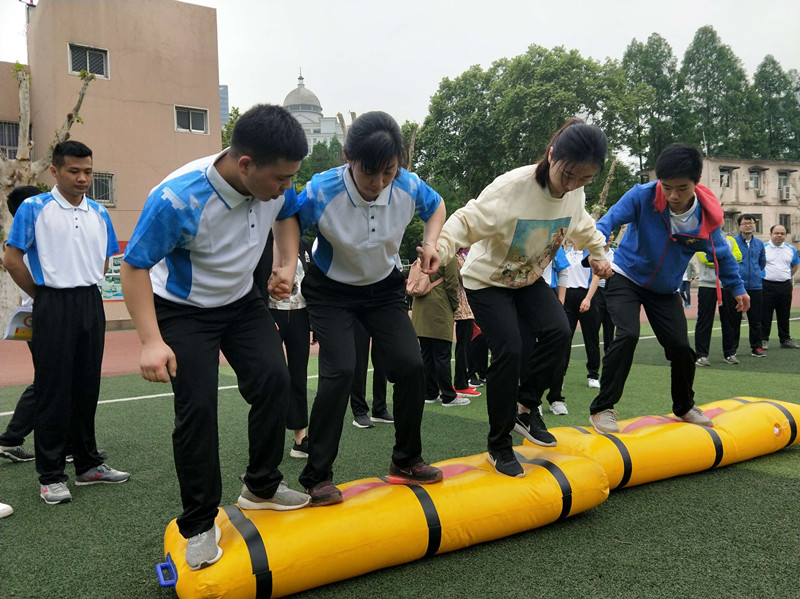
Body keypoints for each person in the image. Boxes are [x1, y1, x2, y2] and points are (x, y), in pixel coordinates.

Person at [120, 105, 311, 571]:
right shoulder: (176, 199)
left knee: (274, 381)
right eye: (281, 178)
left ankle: (261, 486)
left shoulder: (273, 184)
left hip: (242, 303)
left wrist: (285, 264)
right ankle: (199, 523)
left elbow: (288, 214)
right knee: (198, 410)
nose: (286, 187)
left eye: (292, 177)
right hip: (183, 312)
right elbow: (133, 266)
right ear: (245, 164)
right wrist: (150, 340)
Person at [437, 118, 612, 478]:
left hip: (528, 278)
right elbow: (463, 221)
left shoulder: (575, 192)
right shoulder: (511, 189)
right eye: (568, 176)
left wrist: (598, 254)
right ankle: (498, 446)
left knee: (559, 332)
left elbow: (583, 225)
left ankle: (525, 407)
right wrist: (438, 251)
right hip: (486, 280)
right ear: (551, 156)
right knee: (510, 349)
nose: (573, 185)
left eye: (585, 179)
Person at [296, 111, 445, 506]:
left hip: (382, 289)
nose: (379, 184)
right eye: (369, 173)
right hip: (331, 292)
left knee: (411, 366)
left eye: (389, 173)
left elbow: (437, 207)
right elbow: (287, 217)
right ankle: (317, 477)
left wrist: (431, 244)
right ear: (348, 157)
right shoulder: (321, 190)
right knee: (341, 371)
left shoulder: (408, 185)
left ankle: (407, 460)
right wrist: (282, 262)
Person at [588, 143, 749, 434]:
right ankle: (602, 409)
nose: (673, 196)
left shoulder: (706, 218)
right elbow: (606, 222)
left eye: (682, 188)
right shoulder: (642, 196)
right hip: (626, 275)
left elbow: (722, 255)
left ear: (696, 184)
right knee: (626, 335)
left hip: (665, 288)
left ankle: (684, 406)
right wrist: (596, 250)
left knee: (680, 348)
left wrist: (738, 288)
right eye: (667, 187)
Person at [3, 141, 130, 506]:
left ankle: (88, 464)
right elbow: (12, 260)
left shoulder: (97, 212)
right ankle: (51, 476)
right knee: (53, 391)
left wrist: (84, 288)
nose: (83, 178)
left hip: (91, 302)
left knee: (86, 387)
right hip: (52, 302)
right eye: (74, 171)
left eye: (88, 171)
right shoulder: (34, 208)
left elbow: (105, 262)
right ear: (55, 172)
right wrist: (43, 296)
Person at [253, 232, 313, 457]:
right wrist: (263, 319)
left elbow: (311, 282)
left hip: (300, 316)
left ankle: (300, 439)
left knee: (299, 375)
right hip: (270, 316)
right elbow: (253, 283)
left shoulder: (303, 245)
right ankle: (268, 443)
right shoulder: (261, 243)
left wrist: (314, 321)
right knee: (273, 379)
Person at [0, 186, 43, 463]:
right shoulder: (30, 235)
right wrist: (46, 300)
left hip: (38, 314)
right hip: (44, 316)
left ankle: (11, 439)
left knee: (54, 381)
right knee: (51, 382)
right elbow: (12, 263)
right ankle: (11, 438)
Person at [413, 259, 469, 406]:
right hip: (439, 306)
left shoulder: (422, 255)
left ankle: (430, 392)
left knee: (426, 353)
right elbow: (452, 284)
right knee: (442, 353)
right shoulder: (447, 256)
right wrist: (455, 305)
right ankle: (448, 395)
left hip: (420, 306)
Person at [694, 236, 742, 366]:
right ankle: (701, 355)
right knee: (705, 320)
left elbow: (738, 257)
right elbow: (706, 260)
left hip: (726, 285)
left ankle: (730, 353)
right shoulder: (700, 239)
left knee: (729, 320)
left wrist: (723, 259)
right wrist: (725, 258)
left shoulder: (730, 240)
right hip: (707, 285)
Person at [562, 239, 602, 392]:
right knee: (565, 337)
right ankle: (561, 375)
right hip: (568, 297)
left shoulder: (590, 255)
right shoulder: (565, 254)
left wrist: (588, 299)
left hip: (586, 296)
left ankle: (593, 375)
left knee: (591, 338)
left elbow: (596, 276)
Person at [732, 214, 767, 357]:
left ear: (755, 225)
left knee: (756, 319)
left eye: (751, 223)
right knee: (734, 319)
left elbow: (762, 262)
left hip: (755, 286)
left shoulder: (759, 244)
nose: (748, 225)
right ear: (739, 226)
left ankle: (756, 347)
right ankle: (732, 349)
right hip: (736, 286)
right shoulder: (732, 242)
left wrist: (756, 273)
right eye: (745, 223)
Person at [761, 224, 800, 349]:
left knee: (784, 313)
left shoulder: (790, 249)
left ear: (785, 235)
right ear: (771, 234)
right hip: (766, 285)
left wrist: (787, 276)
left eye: (782, 234)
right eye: (776, 233)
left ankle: (785, 339)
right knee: (765, 314)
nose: (779, 236)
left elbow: (795, 265)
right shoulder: (763, 248)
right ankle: (763, 340)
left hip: (784, 285)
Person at [349, 320, 393, 428]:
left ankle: (380, 408)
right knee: (360, 360)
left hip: (380, 310)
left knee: (382, 360)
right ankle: (359, 411)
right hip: (358, 310)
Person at [453, 248, 477, 394]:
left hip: (467, 307)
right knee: (463, 347)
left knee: (466, 346)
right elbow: (465, 277)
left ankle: (463, 381)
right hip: (462, 308)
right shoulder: (455, 257)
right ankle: (460, 383)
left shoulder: (462, 255)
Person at [594, 233, 616, 353]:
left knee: (610, 325)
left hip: (610, 293)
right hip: (597, 293)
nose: (610, 237)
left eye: (612, 234)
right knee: (595, 325)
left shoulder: (615, 254)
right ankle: (595, 356)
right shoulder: (594, 255)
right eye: (608, 234)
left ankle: (609, 354)